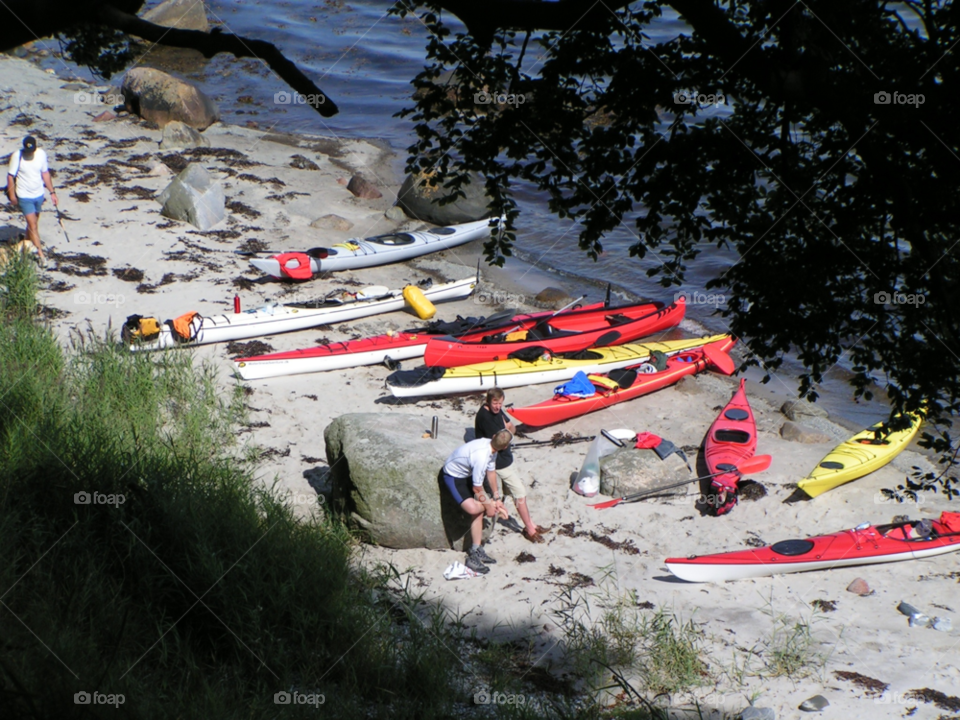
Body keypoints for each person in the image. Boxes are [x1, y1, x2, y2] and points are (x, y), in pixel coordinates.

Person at [475, 388, 548, 543]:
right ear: (488, 401)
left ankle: (531, 524)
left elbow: (511, 428)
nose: (497, 407)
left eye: (500, 404)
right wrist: (506, 431)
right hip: (499, 463)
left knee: (515, 494)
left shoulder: (497, 411)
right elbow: (502, 441)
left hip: (507, 459)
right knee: (520, 493)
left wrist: (507, 430)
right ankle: (530, 529)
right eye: (495, 403)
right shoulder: (485, 417)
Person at [441, 431, 512, 574]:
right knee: (474, 509)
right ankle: (472, 558)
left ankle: (475, 549)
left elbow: (491, 473)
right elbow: (477, 488)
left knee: (479, 512)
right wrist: (490, 507)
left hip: (468, 474)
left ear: (494, 437)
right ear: (505, 447)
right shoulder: (482, 456)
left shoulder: (491, 448)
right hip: (453, 476)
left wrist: (496, 498)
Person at [7, 136, 57, 265]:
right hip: (24, 196)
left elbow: (45, 173)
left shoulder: (41, 154)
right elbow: (10, 176)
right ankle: (40, 255)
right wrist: (12, 196)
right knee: (33, 225)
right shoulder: (17, 156)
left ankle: (25, 245)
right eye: (28, 151)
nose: (29, 153)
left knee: (33, 224)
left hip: (38, 195)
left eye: (32, 151)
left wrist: (52, 192)